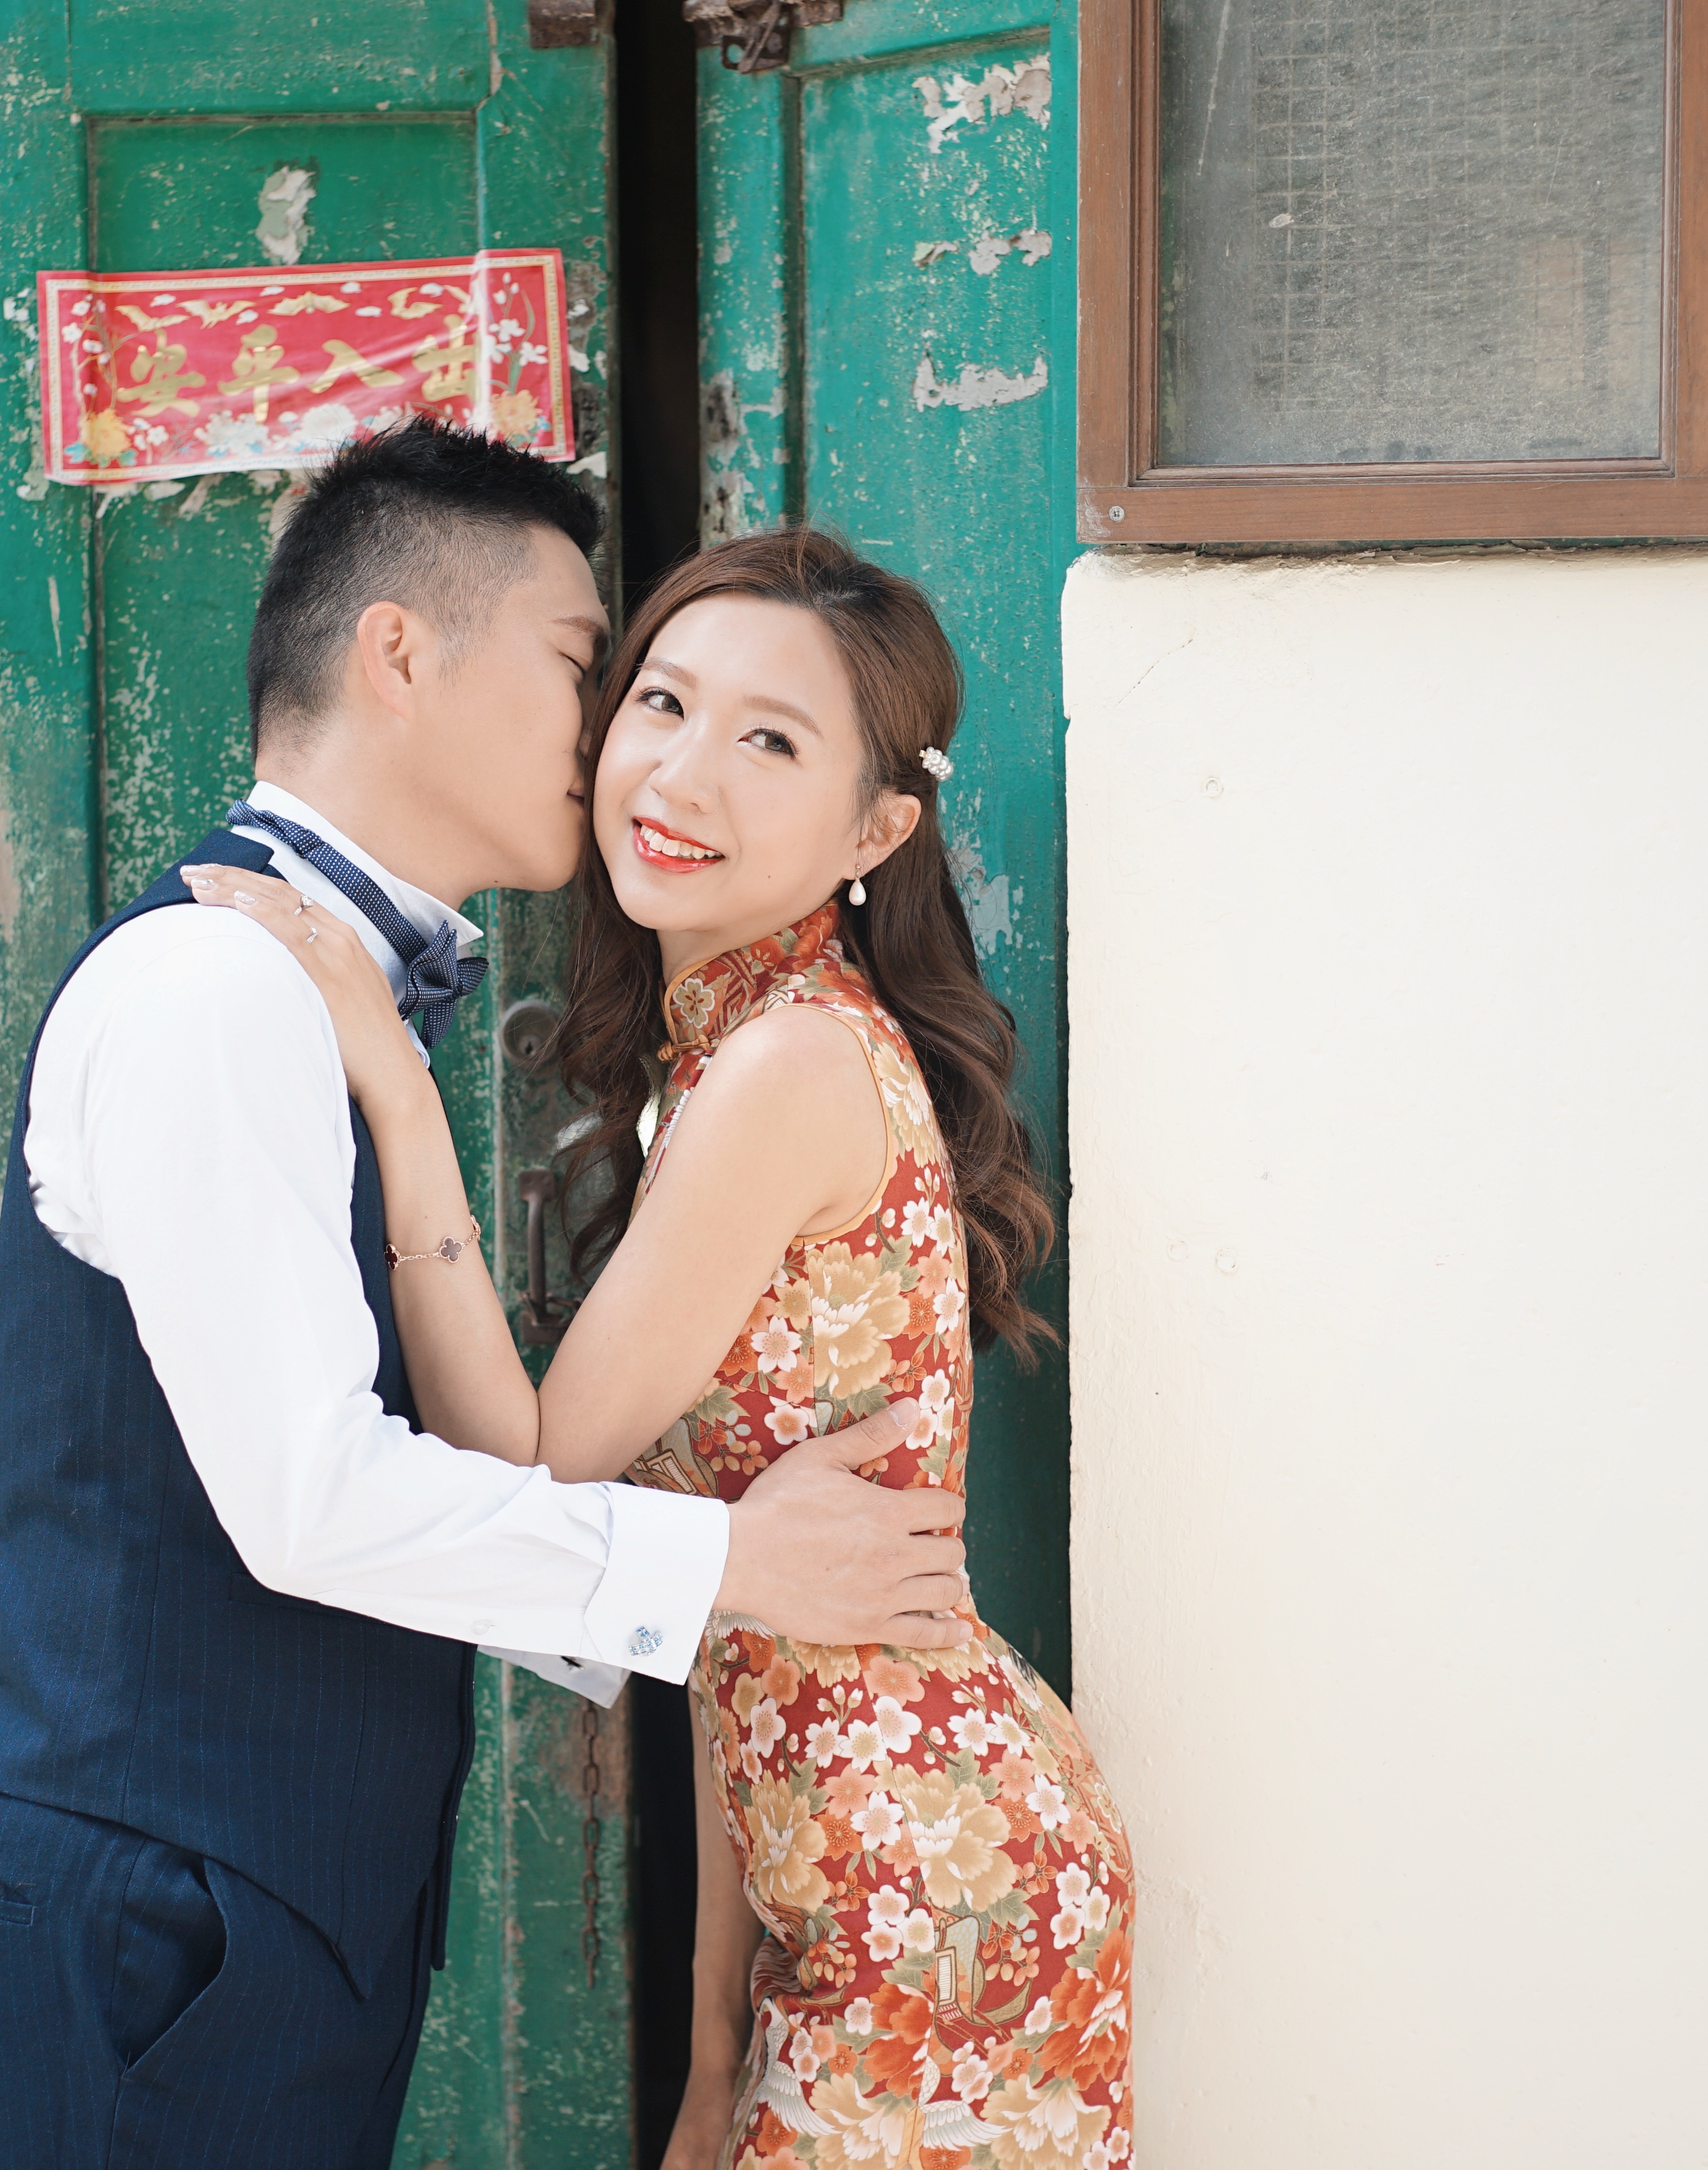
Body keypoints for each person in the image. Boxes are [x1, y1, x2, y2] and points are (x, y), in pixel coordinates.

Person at [0, 428, 978, 2170]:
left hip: (250, 1922)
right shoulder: (216, 986)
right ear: (400, 656)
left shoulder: (338, 1003)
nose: (612, 738)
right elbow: (310, 1501)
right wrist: (726, 1565)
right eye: (587, 669)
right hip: (146, 1932)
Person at [186, 529, 1135, 2169]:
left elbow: (533, 1465)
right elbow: (729, 1626)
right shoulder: (735, 1055)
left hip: (936, 1901)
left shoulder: (789, 1070)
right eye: (663, 703)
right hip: (867, 1881)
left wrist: (397, 1091)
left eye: (770, 740)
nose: (683, 775)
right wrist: (711, 2057)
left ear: (876, 830)